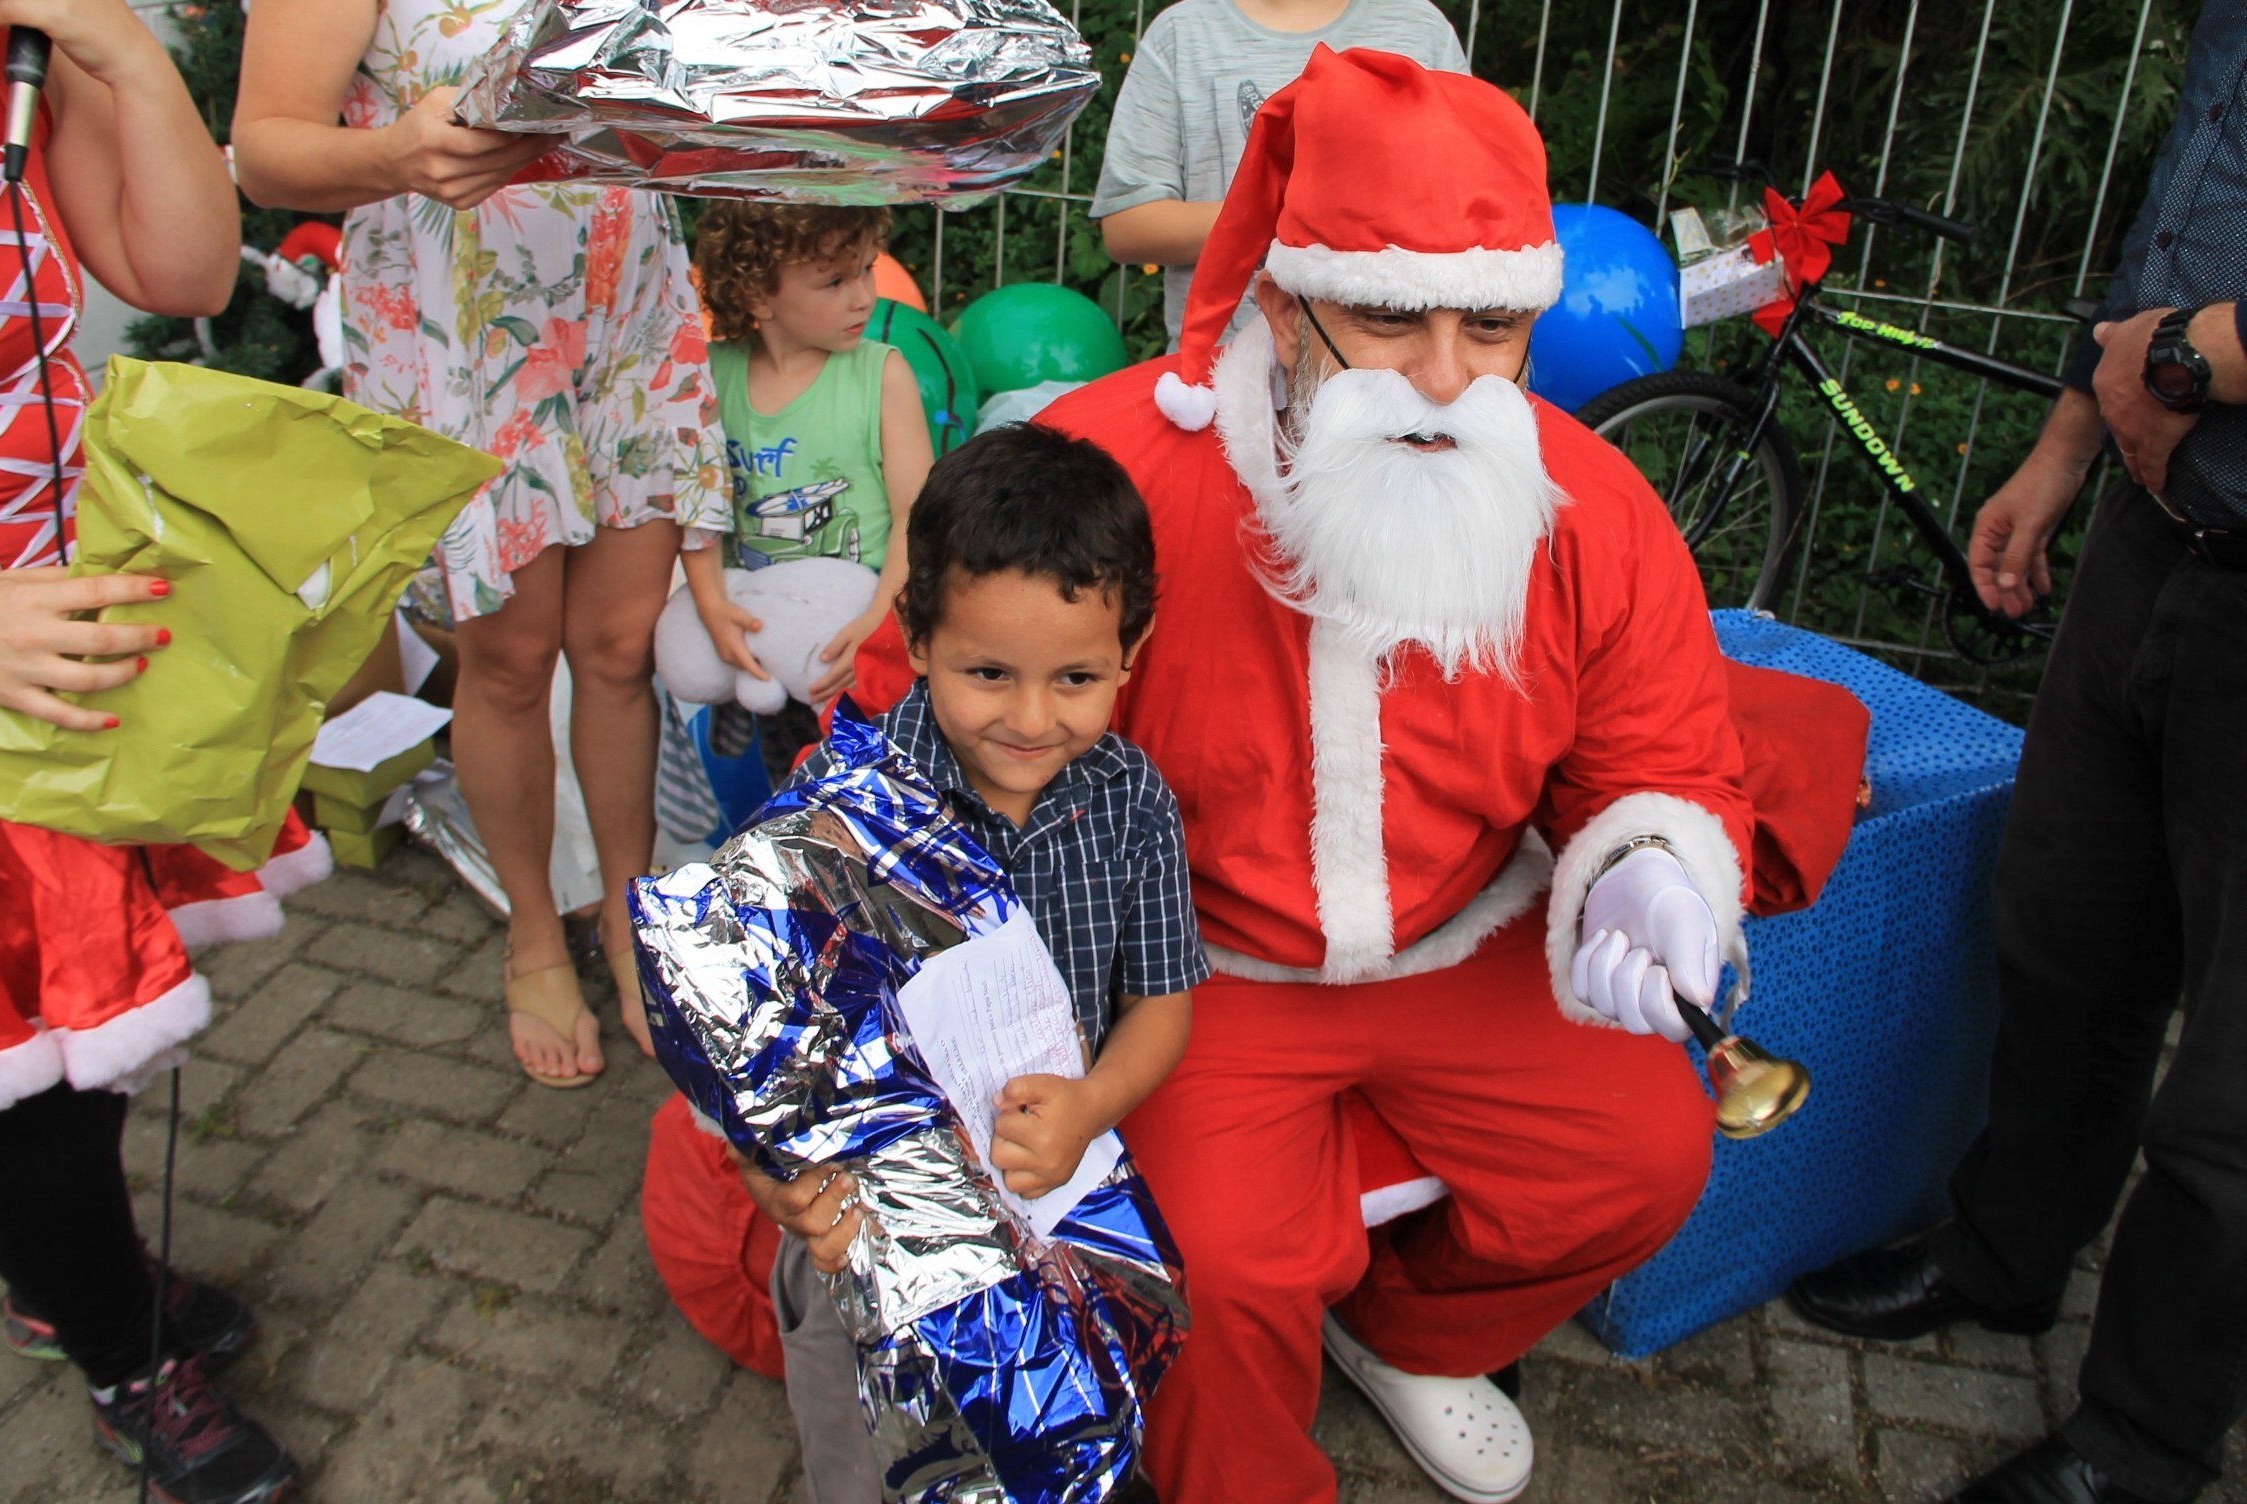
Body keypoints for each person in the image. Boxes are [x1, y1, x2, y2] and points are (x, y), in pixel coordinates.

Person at [854, 46, 1753, 1504]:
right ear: (1282, 296)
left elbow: (1656, 750)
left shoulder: (1590, 503)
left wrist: (1652, 866)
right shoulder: (1108, 465)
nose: (1450, 377)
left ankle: (1408, 1332)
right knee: (1206, 1264)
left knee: (1645, 1153)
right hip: (1199, 968)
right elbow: (907, 720)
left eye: (1496, 322)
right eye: (1392, 315)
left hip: (1469, 937)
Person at [1786, 8, 2247, 1502]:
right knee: (2068, 930)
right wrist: (2071, 442)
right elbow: (2197, 188)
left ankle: (2143, 1440)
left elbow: (2185, 325)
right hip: (2159, 525)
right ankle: (2003, 1255)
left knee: (2231, 1094)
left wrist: (2189, 358)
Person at [232, 0, 733, 1082]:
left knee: (617, 650)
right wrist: (394, 153)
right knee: (508, 662)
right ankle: (535, 933)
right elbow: (265, 151)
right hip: (460, 323)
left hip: (626, 307)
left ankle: (628, 920)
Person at [736, 423, 1207, 1504]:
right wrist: (781, 1187)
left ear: (1132, 647)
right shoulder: (844, 814)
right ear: (917, 636)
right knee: (875, 1468)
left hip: (1057, 1214)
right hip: (869, 1240)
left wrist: (1092, 1105)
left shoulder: (1132, 802)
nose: (1032, 718)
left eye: (1078, 676)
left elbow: (1162, 1004)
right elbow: (757, 1054)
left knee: (1067, 1452)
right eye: (989, 671)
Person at [0, 5, 299, 1502]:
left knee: (92, 1046)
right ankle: (120, 1359)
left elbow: (180, 270)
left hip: (62, 666)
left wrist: (113, 42)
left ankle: (76, 1280)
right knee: (24, 1101)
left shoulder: (17, 77)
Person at [684, 199, 932, 768]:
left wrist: (880, 621)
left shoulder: (881, 373)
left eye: (868, 268)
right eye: (834, 281)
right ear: (755, 294)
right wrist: (711, 604)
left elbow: (917, 514)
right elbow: (697, 505)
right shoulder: (710, 375)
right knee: (784, 785)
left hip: (856, 634)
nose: (864, 296)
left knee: (868, 789)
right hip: (763, 633)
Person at [1091, 0, 1465, 350]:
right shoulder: (1182, 32)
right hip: (1218, 372)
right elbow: (1129, 227)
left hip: (1394, 367)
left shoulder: (1420, 29)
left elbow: (1466, 210)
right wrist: (1307, 217)